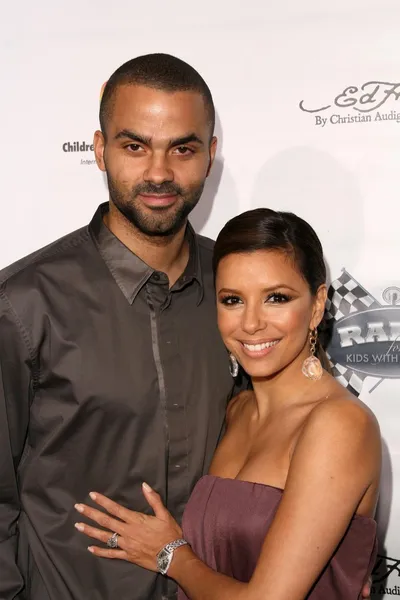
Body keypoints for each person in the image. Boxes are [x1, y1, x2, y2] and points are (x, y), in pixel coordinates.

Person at [0, 53, 236, 600]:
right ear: (101, 149)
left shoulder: (238, 290)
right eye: (135, 146)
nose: (159, 172)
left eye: (183, 147)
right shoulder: (24, 303)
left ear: (210, 155)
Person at [74, 208, 381, 599]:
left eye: (276, 298)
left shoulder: (339, 424)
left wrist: (171, 556)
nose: (251, 323)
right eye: (233, 300)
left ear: (318, 304)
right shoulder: (236, 412)